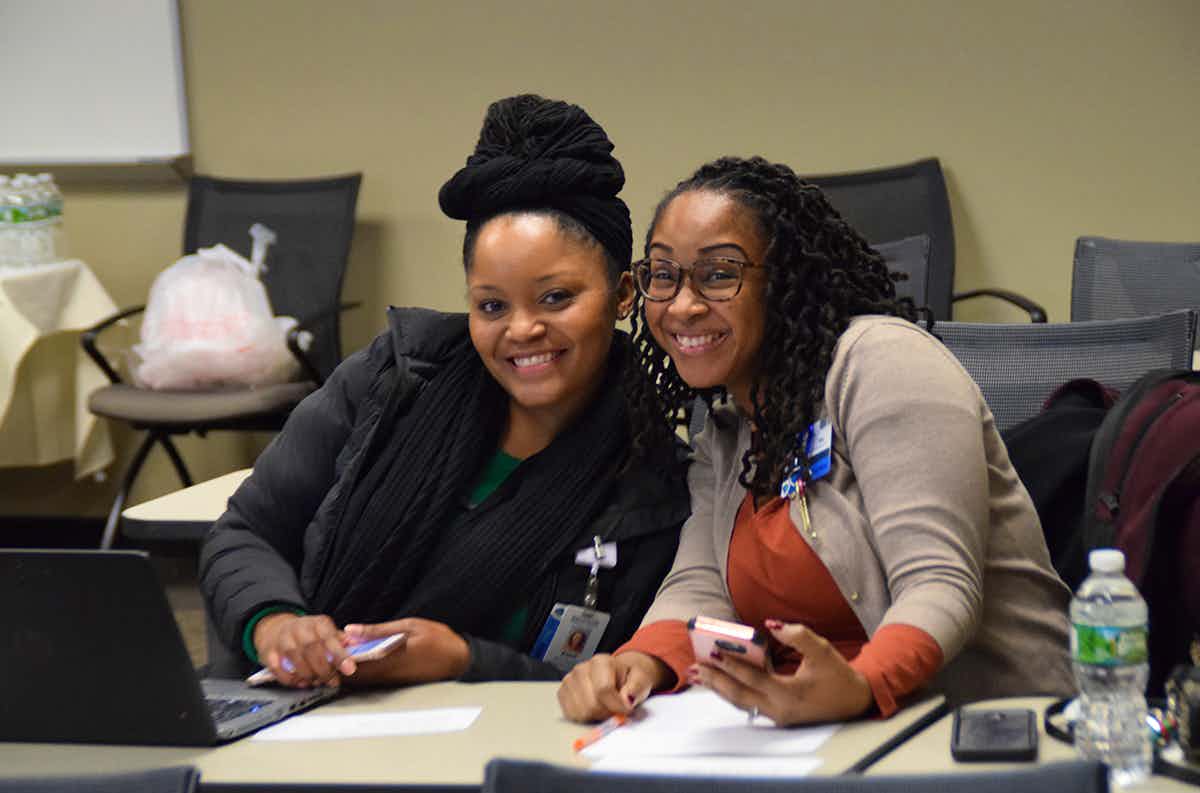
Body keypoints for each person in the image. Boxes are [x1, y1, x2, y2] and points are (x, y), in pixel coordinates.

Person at [558, 156, 1075, 725]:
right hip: (823, 733)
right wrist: (638, 663)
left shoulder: (881, 364)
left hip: (985, 726)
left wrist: (858, 686)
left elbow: (940, 583)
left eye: (719, 273)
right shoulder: (729, 426)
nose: (683, 304)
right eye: (663, 274)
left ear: (783, 280)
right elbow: (701, 584)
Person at [200, 94, 688, 688]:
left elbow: (593, 680)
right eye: (491, 305)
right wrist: (275, 623)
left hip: (481, 753)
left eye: (556, 298)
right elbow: (245, 531)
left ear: (624, 293)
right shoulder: (394, 377)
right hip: (293, 708)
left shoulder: (651, 485)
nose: (522, 329)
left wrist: (463, 661)